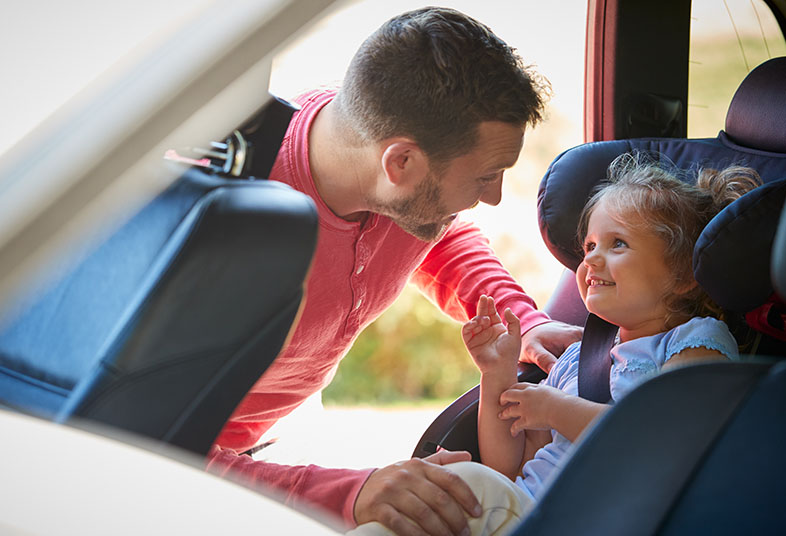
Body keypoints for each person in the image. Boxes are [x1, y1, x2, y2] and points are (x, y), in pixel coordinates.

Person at [205, 7, 583, 535]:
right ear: (400, 163)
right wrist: (352, 493)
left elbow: (438, 234)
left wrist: (525, 321)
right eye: (485, 176)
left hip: (271, 434)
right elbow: (133, 448)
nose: (494, 198)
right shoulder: (212, 226)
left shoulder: (394, 181)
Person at [349, 154, 761, 535]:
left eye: (618, 244)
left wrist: (554, 408)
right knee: (423, 496)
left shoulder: (694, 340)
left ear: (685, 273)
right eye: (589, 247)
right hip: (525, 509)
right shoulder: (576, 359)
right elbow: (507, 465)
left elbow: (665, 440)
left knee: (460, 488)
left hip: (593, 519)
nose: (592, 261)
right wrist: (497, 376)